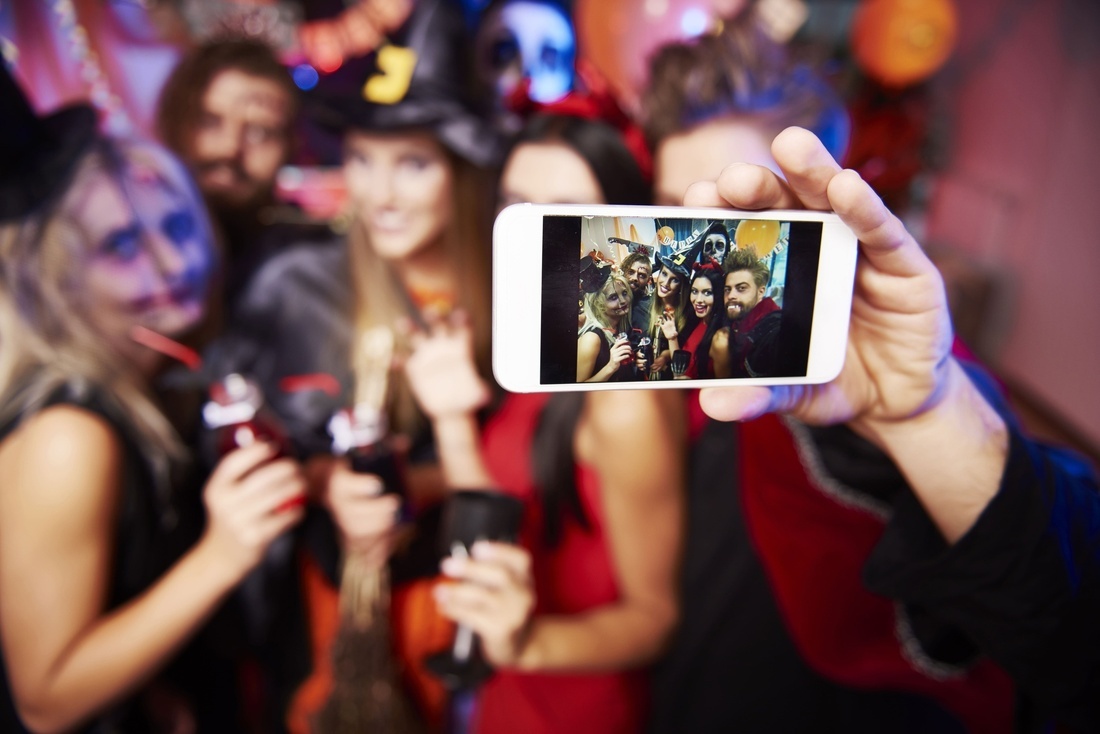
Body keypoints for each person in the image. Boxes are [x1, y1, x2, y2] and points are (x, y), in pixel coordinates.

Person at [693, 125, 1100, 734]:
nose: (710, 242)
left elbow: (1071, 627)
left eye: (739, 217)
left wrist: (929, 414)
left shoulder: (902, 363)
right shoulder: (707, 398)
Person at [212, 1, 500, 728]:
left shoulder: (512, 298)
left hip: (466, 608)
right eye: (363, 159)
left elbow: (533, 468)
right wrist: (330, 483)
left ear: (460, 171)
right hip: (329, 609)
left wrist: (423, 476)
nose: (379, 193)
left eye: (411, 163)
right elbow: (236, 442)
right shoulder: (296, 282)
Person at [0, 67, 306, 733]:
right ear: (58, 277)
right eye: (120, 246)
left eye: (174, 225)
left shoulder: (146, 384)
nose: (171, 266)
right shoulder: (67, 435)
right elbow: (44, 700)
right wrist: (222, 556)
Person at [404, 108, 683, 734]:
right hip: (505, 689)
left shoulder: (625, 399)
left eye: (563, 217)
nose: (532, 239)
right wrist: (449, 422)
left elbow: (654, 619)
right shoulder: (547, 346)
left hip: (573, 702)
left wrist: (527, 642)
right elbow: (507, 505)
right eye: (517, 208)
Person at [156, 37, 301, 301]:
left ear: (289, 146)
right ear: (172, 123)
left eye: (260, 132)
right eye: (209, 122)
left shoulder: (303, 272)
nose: (231, 148)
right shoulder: (130, 254)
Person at [711, 245, 782, 378]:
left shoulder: (774, 327)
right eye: (728, 289)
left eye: (741, 288)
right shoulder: (737, 323)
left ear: (761, 292)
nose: (731, 295)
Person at [664, 261, 725, 379]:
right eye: (695, 291)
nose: (698, 300)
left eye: (707, 293)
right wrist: (672, 338)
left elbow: (723, 391)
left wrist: (692, 384)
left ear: (718, 295)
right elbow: (682, 369)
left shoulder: (720, 338)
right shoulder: (697, 321)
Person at [620, 250, 654, 332]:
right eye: (631, 272)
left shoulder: (648, 308)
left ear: (648, 280)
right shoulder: (612, 300)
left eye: (642, 275)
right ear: (623, 272)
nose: (635, 278)